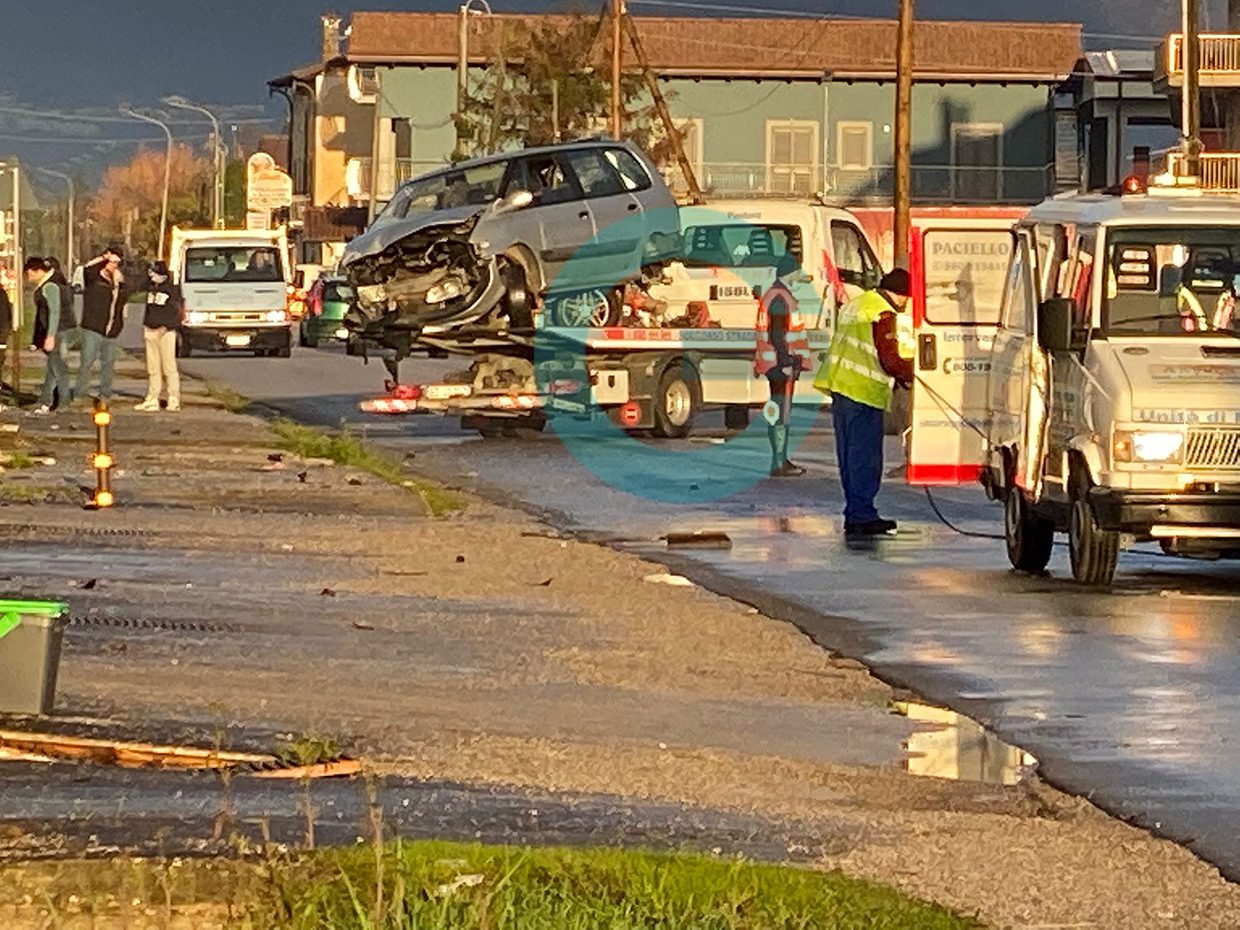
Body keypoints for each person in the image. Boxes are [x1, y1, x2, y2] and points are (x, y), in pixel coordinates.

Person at [822, 268, 915, 539]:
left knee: (849, 457)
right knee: (865, 458)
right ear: (899, 295)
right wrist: (910, 373)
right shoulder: (882, 313)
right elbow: (889, 357)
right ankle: (862, 515)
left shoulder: (855, 305)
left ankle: (855, 512)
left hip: (841, 386)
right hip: (863, 392)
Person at [753, 254, 812, 477]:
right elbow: (778, 333)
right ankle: (779, 461)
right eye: (798, 270)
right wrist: (787, 360)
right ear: (791, 273)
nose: (801, 275)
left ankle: (779, 459)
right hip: (781, 365)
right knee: (782, 413)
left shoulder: (774, 294)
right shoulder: (780, 297)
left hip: (774, 364)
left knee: (778, 410)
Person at [76, 244, 128, 404]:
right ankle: (81, 393)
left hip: (111, 329)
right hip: (93, 327)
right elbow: (87, 269)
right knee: (87, 361)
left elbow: (121, 303)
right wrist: (104, 258)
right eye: (112, 262)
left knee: (108, 363)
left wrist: (119, 325)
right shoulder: (94, 277)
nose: (114, 266)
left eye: (116, 263)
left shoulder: (119, 281)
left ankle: (105, 393)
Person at [24, 257, 71, 415]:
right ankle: (46, 401)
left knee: (58, 368)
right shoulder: (50, 282)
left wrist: (50, 335)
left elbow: (54, 311)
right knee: (53, 368)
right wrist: (37, 340)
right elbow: (41, 315)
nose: (28, 277)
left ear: (37, 271)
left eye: (29, 273)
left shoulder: (50, 286)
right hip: (57, 330)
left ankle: (63, 402)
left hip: (58, 331)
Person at [136, 261, 183, 412]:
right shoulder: (150, 288)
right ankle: (152, 398)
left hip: (165, 333)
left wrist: (166, 327)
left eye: (154, 273)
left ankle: (173, 398)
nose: (151, 276)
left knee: (169, 367)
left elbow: (177, 313)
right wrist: (146, 325)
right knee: (153, 367)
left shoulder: (171, 290)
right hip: (150, 330)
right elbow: (136, 287)